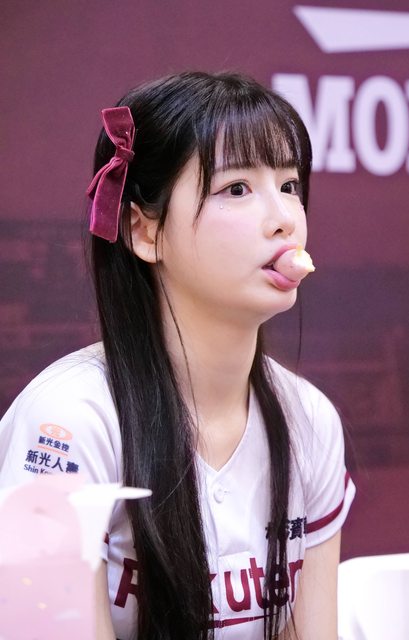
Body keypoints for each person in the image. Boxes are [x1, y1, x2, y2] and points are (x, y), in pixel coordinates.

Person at [0, 72, 355, 640]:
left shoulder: (309, 419)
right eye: (236, 188)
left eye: (289, 184)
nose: (285, 219)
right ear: (145, 232)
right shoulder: (68, 424)